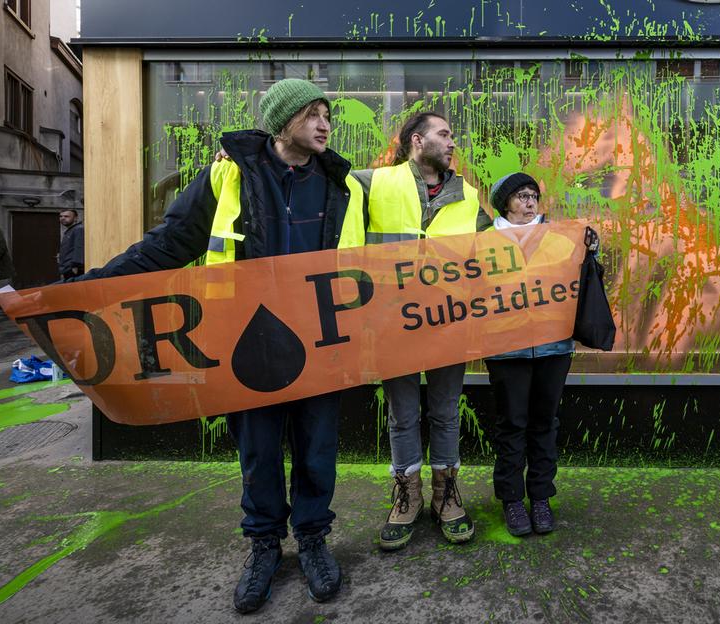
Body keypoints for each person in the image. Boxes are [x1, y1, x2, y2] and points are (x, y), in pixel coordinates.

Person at [76, 78, 366, 613]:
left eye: (328, 116)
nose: (326, 125)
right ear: (283, 122)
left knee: (318, 447)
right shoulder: (226, 175)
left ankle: (312, 541)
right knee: (257, 451)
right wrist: (94, 285)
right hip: (244, 344)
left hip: (323, 344)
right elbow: (169, 245)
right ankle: (263, 547)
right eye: (313, 114)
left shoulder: (341, 185)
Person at [352, 112, 491, 550]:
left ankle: (446, 495)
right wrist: (240, 160)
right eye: (445, 134)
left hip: (449, 323)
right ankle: (407, 497)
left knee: (446, 413)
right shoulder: (374, 182)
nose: (453, 142)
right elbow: (313, 170)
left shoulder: (467, 195)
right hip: (392, 323)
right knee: (403, 415)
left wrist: (561, 242)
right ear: (417, 140)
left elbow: (502, 245)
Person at [482, 172, 597, 536]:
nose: (530, 202)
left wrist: (590, 249)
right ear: (505, 203)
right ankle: (513, 500)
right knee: (512, 423)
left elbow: (580, 275)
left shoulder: (560, 237)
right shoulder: (483, 242)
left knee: (545, 422)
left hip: (552, 346)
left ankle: (541, 496)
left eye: (533, 195)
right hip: (506, 348)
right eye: (520, 196)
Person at [57, 209, 84, 280]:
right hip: (67, 268)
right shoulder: (70, 230)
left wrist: (76, 265)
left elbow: (79, 247)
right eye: (61, 216)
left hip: (74, 269)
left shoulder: (78, 229)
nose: (63, 218)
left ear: (75, 218)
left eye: (66, 216)